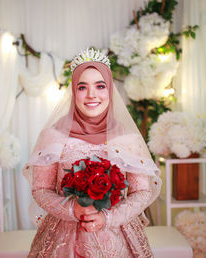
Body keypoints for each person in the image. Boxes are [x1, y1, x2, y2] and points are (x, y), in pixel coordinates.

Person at [23, 48, 161, 257]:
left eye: (100, 86)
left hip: (117, 236)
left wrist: (109, 218)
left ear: (110, 89)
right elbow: (41, 189)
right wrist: (72, 209)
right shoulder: (53, 137)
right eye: (82, 87)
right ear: (73, 91)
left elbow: (141, 192)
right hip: (64, 238)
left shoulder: (128, 139)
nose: (91, 95)